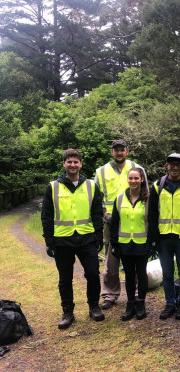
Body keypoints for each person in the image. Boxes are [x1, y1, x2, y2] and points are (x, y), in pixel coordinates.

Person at [41, 148, 105, 329]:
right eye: (69, 162)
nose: (73, 165)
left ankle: (94, 306)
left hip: (87, 238)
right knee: (65, 278)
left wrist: (98, 236)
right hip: (62, 240)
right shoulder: (53, 187)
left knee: (93, 274)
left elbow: (97, 213)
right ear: (64, 164)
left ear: (81, 164)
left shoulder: (91, 185)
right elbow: (46, 216)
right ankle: (68, 311)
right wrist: (49, 241)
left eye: (76, 162)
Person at [148, 153, 180, 321]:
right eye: (172, 164)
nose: (175, 167)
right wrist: (153, 238)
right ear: (166, 165)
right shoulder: (157, 186)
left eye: (178, 164)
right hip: (163, 237)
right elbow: (153, 214)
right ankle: (170, 303)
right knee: (167, 274)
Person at [95, 139, 146, 310]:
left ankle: (138, 294)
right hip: (110, 222)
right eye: (116, 150)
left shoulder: (137, 168)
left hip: (135, 219)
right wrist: (103, 213)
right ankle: (109, 294)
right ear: (112, 152)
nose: (119, 153)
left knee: (137, 259)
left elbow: (146, 192)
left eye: (122, 150)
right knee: (111, 260)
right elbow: (96, 197)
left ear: (127, 151)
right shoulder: (101, 172)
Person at [110, 167, 151, 321]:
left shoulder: (148, 199)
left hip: (142, 243)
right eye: (131, 178)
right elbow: (115, 223)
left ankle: (141, 304)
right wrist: (114, 244)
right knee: (128, 275)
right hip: (125, 244)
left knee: (141, 274)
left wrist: (151, 243)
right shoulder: (120, 199)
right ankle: (130, 304)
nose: (133, 181)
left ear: (142, 180)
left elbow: (152, 223)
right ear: (127, 180)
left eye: (136, 178)